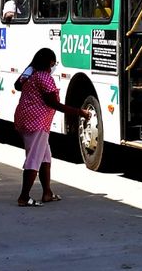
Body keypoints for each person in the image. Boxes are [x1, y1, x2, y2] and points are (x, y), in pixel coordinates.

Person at [13, 48, 90, 207]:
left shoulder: (30, 73)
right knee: (34, 158)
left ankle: (47, 192)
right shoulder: (44, 78)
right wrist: (79, 112)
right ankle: (24, 196)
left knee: (45, 157)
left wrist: (30, 67)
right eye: (53, 63)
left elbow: (18, 85)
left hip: (25, 119)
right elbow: (53, 103)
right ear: (49, 63)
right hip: (37, 123)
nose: (54, 66)